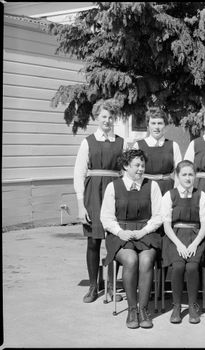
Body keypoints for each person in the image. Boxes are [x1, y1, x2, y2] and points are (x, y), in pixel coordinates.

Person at [101, 149, 162, 329]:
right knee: (130, 259)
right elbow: (106, 217)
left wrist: (144, 231)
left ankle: (143, 310)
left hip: (146, 231)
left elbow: (159, 216)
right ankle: (131, 309)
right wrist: (120, 232)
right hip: (120, 233)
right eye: (137, 165)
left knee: (146, 259)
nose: (141, 169)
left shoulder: (152, 186)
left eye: (143, 165)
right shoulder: (113, 187)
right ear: (126, 166)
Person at [73, 98, 126, 303]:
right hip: (93, 192)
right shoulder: (88, 142)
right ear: (97, 117)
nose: (107, 120)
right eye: (104, 116)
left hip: (114, 191)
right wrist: (80, 205)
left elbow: (126, 169)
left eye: (111, 117)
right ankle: (94, 287)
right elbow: (79, 173)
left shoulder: (121, 142)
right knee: (94, 241)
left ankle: (112, 287)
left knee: (114, 241)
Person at [161, 160, 205, 324]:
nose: (188, 178)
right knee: (179, 266)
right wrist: (179, 245)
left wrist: (195, 243)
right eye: (184, 175)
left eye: (191, 174)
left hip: (196, 236)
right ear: (177, 176)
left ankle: (192, 305)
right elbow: (167, 225)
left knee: (192, 266)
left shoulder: (201, 195)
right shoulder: (170, 195)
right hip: (174, 237)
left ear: (195, 176)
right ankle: (176, 306)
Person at [133, 107, 182, 194]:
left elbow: (179, 173)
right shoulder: (138, 146)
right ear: (148, 126)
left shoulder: (174, 146)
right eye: (153, 123)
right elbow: (132, 171)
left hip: (167, 189)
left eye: (160, 123)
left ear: (165, 126)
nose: (156, 127)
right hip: (144, 188)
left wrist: (175, 193)